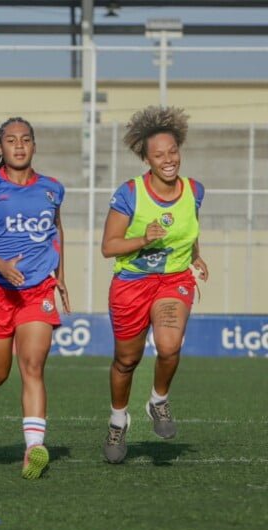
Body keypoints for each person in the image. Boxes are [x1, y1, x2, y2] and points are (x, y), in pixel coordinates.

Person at [0, 117, 69, 480]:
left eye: (25, 140)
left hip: (37, 290)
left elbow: (56, 229)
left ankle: (33, 449)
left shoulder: (53, 188)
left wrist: (61, 276)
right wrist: (2, 267)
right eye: (11, 140)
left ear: (34, 146)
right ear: (1, 148)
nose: (19, 146)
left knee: (33, 367)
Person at [100, 106, 208, 465]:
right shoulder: (130, 193)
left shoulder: (194, 191)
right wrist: (143, 239)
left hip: (173, 280)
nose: (168, 160)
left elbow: (188, 227)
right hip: (132, 282)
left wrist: (196, 256)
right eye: (159, 155)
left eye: (173, 151)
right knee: (127, 360)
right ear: (146, 158)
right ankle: (118, 421)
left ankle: (158, 401)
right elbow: (109, 247)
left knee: (169, 344)